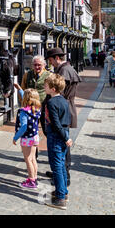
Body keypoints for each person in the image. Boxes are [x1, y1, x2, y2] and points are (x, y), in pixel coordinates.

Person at [46, 48, 81, 186]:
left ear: (56, 58)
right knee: (62, 144)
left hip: (62, 111)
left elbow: (60, 93)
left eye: (51, 61)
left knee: (62, 145)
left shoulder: (64, 71)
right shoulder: (65, 68)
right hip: (65, 109)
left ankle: (64, 176)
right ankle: (60, 173)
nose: (51, 64)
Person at [44, 74, 73, 210]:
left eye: (46, 85)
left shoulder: (51, 102)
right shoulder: (64, 100)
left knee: (56, 166)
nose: (44, 87)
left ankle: (60, 198)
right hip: (63, 133)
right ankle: (63, 192)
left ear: (53, 88)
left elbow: (55, 123)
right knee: (61, 165)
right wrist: (66, 136)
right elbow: (67, 119)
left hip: (56, 136)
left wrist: (65, 138)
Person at [13, 88, 42, 189]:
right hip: (35, 137)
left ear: (25, 99)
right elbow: (27, 96)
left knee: (28, 160)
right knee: (33, 159)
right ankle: (35, 178)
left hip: (26, 139)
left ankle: (31, 181)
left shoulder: (23, 112)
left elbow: (24, 127)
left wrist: (15, 138)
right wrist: (19, 89)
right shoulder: (37, 110)